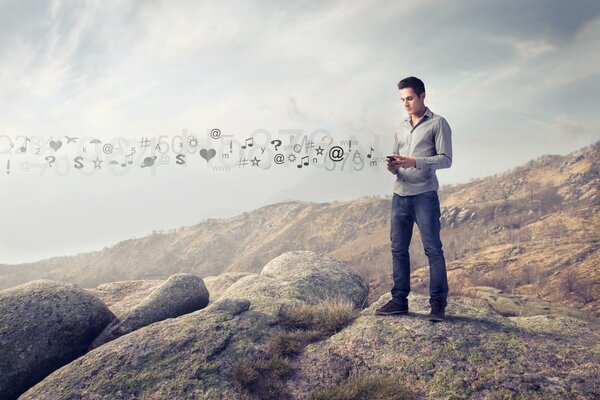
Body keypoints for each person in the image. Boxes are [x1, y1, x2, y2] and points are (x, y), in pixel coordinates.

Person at [375, 76, 453, 322]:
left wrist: (414, 161)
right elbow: (398, 161)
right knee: (398, 250)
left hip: (424, 195)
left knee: (433, 250)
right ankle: (399, 300)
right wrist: (394, 166)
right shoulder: (399, 127)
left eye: (409, 98)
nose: (406, 104)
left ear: (422, 96)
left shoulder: (438, 124)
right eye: (402, 100)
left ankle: (438, 305)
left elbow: (446, 159)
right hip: (400, 194)